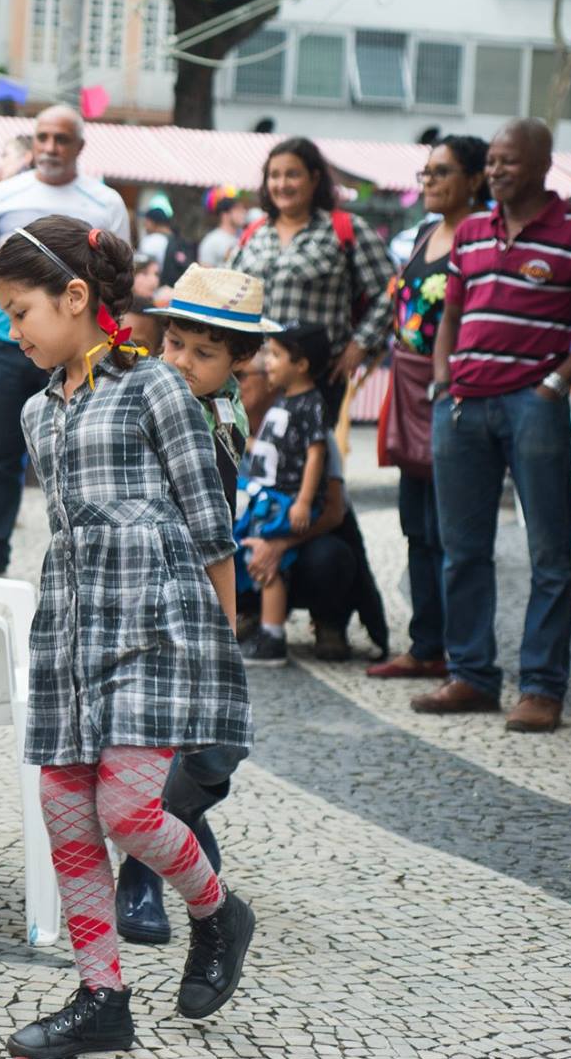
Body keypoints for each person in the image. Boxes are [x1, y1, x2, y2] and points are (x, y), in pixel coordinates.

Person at [0, 217, 253, 1059]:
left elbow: (211, 527)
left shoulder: (156, 389)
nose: (11, 328)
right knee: (64, 805)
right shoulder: (35, 411)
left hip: (158, 630)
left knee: (130, 809)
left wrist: (223, 651)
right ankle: (103, 994)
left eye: (20, 309)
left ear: (76, 297)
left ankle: (216, 913)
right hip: (73, 630)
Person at [416, 119, 571, 732]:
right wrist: (444, 380)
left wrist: (554, 385)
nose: (496, 170)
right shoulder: (472, 230)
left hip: (535, 407)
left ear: (542, 164)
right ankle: (472, 675)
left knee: (549, 552)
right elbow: (450, 314)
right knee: (462, 550)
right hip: (463, 405)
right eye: (493, 161)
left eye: (509, 161)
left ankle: (542, 687)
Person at [115, 265, 274, 947]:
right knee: (154, 736)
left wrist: (224, 623)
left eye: (202, 354)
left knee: (215, 746)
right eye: (173, 342)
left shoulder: (224, 415)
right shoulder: (141, 396)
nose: (180, 361)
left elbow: (218, 531)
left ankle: (175, 830)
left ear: (241, 362)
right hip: (134, 590)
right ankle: (144, 869)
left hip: (193, 590)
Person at [0, 105, 129, 575]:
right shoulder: (6, 194)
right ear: (33, 142)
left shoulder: (106, 201)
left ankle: (88, 558)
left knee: (90, 454)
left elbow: (121, 277)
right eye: (43, 138)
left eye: (61, 139)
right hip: (9, 341)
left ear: (80, 146)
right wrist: (31, 253)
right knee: (1, 456)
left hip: (84, 349)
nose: (51, 148)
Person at [368, 136, 490, 682]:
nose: (429, 181)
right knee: (416, 523)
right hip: (408, 384)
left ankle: (462, 654)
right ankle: (425, 645)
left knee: (451, 530)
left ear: (475, 179)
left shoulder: (482, 236)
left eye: (442, 172)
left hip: (454, 389)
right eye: (425, 171)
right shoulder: (421, 235)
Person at [228, 137, 395, 426]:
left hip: (316, 379)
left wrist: (360, 344)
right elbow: (227, 291)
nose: (282, 184)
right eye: (274, 176)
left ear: (314, 178)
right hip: (255, 376)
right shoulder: (254, 232)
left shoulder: (344, 228)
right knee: (254, 463)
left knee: (308, 466)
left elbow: (391, 290)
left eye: (292, 174)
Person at [235, 324, 331, 667]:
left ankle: (272, 635)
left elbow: (316, 453)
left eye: (275, 355)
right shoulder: (285, 401)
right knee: (255, 554)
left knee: (269, 562)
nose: (268, 363)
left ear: (301, 364)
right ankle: (257, 622)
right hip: (268, 495)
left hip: (286, 499)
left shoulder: (310, 404)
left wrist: (304, 500)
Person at [197, 189, 245, 268]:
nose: (243, 213)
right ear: (225, 215)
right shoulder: (211, 241)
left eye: (243, 209)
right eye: (237, 210)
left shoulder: (245, 236)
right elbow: (205, 273)